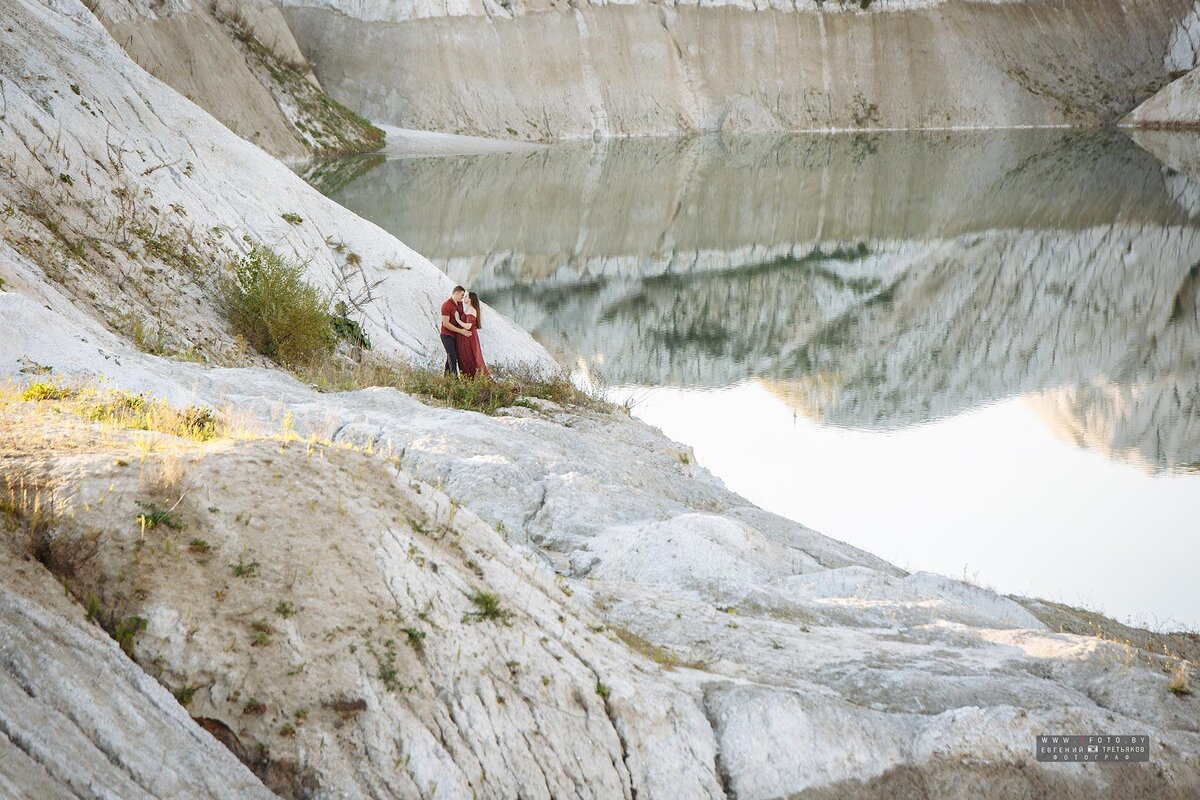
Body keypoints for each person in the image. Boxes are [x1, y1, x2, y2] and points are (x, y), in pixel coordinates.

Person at [455, 291, 490, 378]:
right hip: (464, 337)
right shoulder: (468, 309)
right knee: (464, 357)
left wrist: (457, 319)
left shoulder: (472, 310)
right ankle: (468, 380)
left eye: (466, 296)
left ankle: (474, 381)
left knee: (470, 357)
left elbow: (468, 326)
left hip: (469, 338)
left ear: (470, 299)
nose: (464, 298)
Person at [439, 286, 472, 376]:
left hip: (456, 335)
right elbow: (446, 324)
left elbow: (462, 318)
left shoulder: (460, 304)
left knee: (451, 356)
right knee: (452, 356)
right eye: (462, 295)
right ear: (456, 293)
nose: (462, 297)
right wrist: (461, 331)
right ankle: (455, 380)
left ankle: (446, 379)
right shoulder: (446, 305)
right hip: (446, 335)